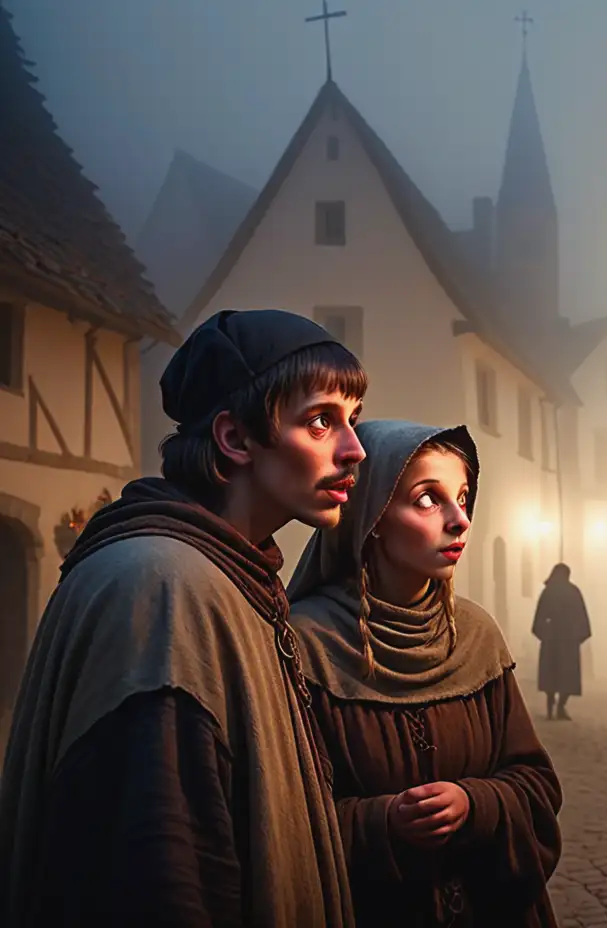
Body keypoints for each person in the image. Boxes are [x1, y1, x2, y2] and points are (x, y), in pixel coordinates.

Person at [0, 309, 366, 927]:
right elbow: (161, 873)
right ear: (235, 438)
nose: (354, 448)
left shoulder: (225, 575)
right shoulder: (162, 588)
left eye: (352, 421)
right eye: (321, 421)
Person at [287, 420, 562, 926]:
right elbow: (282, 821)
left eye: (462, 496)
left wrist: (474, 804)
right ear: (371, 517)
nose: (460, 520)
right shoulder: (305, 646)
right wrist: (384, 821)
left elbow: (536, 785)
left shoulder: (476, 634)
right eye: (428, 500)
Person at [532, 564, 591, 721]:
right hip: (569, 640)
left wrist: (544, 634)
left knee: (551, 675)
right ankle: (560, 706)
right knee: (567, 676)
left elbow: (538, 619)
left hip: (551, 639)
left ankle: (551, 706)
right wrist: (579, 636)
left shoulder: (548, 592)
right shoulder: (573, 592)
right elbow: (582, 616)